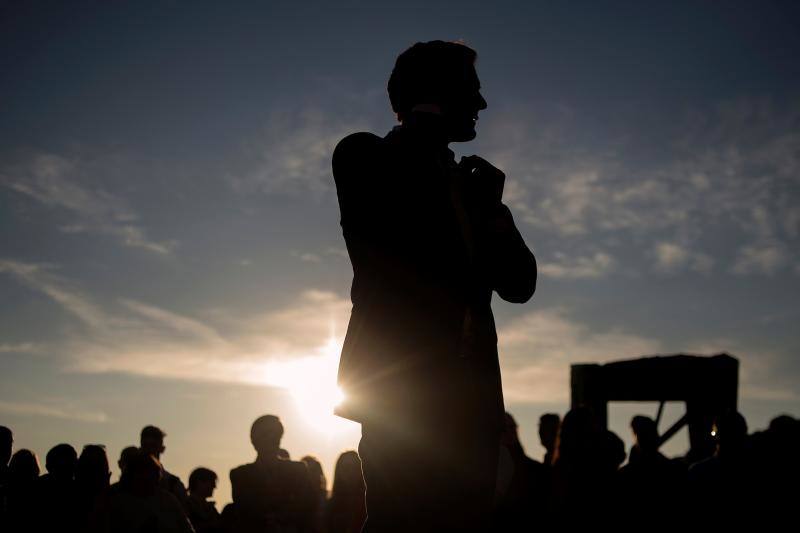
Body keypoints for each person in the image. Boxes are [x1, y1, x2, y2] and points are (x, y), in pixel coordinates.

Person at [332, 40, 537, 533]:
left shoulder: (474, 187)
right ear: (439, 94)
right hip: (403, 396)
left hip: (473, 403)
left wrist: (492, 211)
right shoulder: (367, 156)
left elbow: (520, 284)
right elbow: (398, 251)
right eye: (473, 91)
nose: (483, 105)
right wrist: (432, 139)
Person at [227, 415, 314, 533]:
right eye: (265, 435)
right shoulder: (240, 475)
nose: (271, 439)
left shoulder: (298, 470)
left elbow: (306, 509)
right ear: (254, 440)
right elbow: (245, 513)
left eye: (275, 434)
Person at [140, 425, 188, 506]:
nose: (149, 451)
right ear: (162, 449)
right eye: (147, 446)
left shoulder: (173, 483)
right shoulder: (174, 484)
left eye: (152, 446)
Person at [326, 451, 366, 533]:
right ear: (339, 471)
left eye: (355, 467)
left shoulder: (370, 503)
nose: (351, 472)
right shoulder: (329, 506)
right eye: (346, 468)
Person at [186, 467, 222, 533]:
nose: (214, 486)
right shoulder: (186, 506)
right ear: (199, 482)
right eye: (211, 482)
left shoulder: (211, 509)